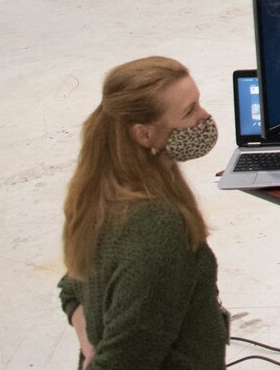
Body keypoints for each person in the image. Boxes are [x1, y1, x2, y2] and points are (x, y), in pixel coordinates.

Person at [57, 56, 228, 370]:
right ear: (144, 135)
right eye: (189, 111)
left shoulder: (103, 190)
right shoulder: (158, 229)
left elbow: (73, 287)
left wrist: (89, 348)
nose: (204, 117)